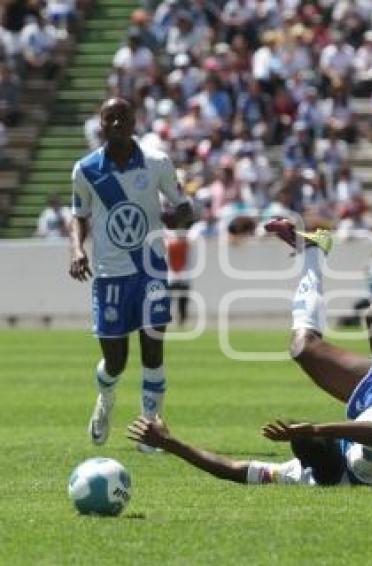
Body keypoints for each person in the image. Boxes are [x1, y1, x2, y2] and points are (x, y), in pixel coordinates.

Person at [127, 208, 372, 486]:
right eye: (318, 437)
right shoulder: (361, 466)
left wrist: (171, 443)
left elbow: (236, 469)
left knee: (302, 347)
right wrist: (316, 427)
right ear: (326, 441)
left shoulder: (304, 475)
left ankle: (311, 250)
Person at [69, 97, 192, 451]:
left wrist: (179, 216)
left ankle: (150, 430)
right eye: (111, 119)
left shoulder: (157, 162)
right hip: (109, 276)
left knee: (153, 352)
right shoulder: (86, 169)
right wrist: (77, 249)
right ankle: (105, 400)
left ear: (135, 121)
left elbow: (183, 205)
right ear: (101, 124)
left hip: (150, 270)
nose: (118, 124)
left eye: (124, 117)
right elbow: (80, 215)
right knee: (116, 360)